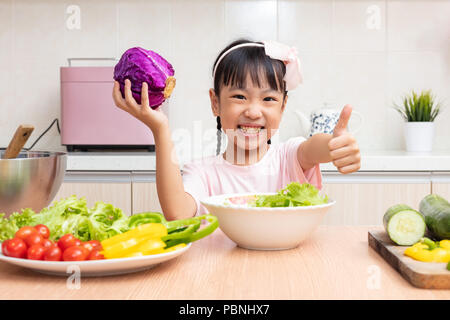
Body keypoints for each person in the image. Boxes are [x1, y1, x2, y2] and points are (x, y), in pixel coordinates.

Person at [112, 39, 361, 220]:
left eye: (269, 99)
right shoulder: (202, 173)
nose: (253, 111)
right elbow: (177, 214)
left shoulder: (290, 157)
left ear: (283, 106)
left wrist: (333, 147)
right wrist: (161, 129)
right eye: (240, 96)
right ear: (215, 103)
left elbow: (312, 149)